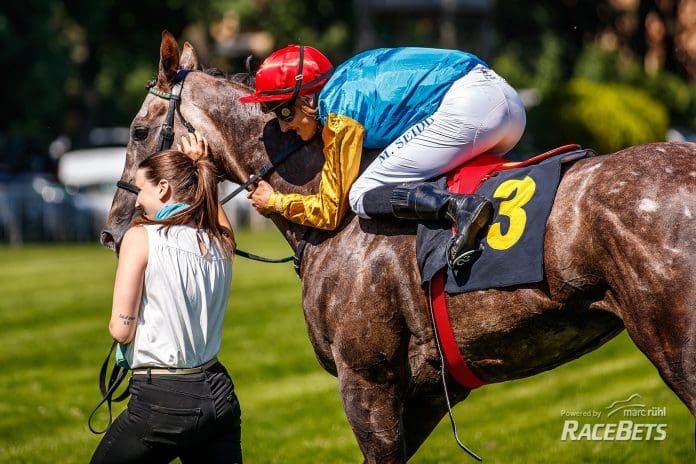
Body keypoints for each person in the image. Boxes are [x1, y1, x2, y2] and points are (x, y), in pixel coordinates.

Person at [241, 45, 526, 268]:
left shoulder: (339, 112)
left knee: (361, 193)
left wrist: (276, 201)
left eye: (283, 111)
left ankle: (461, 208)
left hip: (474, 108)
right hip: (508, 103)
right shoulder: (349, 75)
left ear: (308, 99)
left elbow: (330, 211)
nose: (282, 125)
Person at [90, 133, 242, 464]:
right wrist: (205, 168)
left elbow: (121, 329)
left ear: (162, 189)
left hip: (162, 401)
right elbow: (221, 225)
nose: (138, 201)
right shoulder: (219, 244)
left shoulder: (140, 238)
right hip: (219, 394)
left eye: (141, 190)